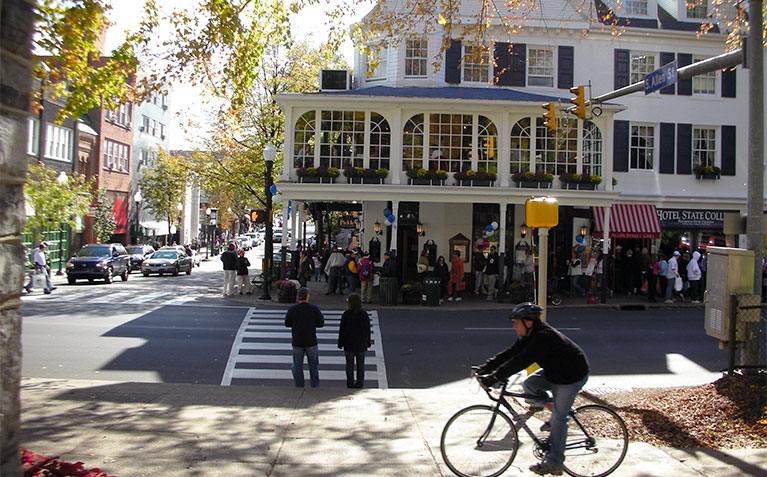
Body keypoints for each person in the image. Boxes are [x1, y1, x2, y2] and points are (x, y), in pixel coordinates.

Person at [475, 303, 589, 476]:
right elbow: (511, 353)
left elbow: (520, 361)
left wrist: (493, 378)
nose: (514, 326)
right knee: (529, 384)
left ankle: (555, 462)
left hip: (571, 375)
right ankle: (557, 408)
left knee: (559, 419)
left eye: (516, 322)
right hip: (555, 372)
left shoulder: (543, 338)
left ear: (528, 323)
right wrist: (485, 368)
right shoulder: (530, 335)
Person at [284, 287, 325, 387]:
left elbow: (287, 323)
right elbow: (321, 323)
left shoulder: (292, 309)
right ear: (307, 297)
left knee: (298, 365)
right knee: (313, 366)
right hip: (311, 340)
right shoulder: (314, 309)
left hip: (297, 340)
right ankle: (315, 386)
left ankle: (299, 385)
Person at [337, 293, 372, 388]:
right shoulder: (364, 314)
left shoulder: (346, 314)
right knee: (360, 366)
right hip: (361, 344)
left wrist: (340, 343)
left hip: (349, 344)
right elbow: (367, 330)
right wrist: (368, 342)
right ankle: (360, 384)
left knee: (349, 366)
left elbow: (342, 330)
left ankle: (350, 384)